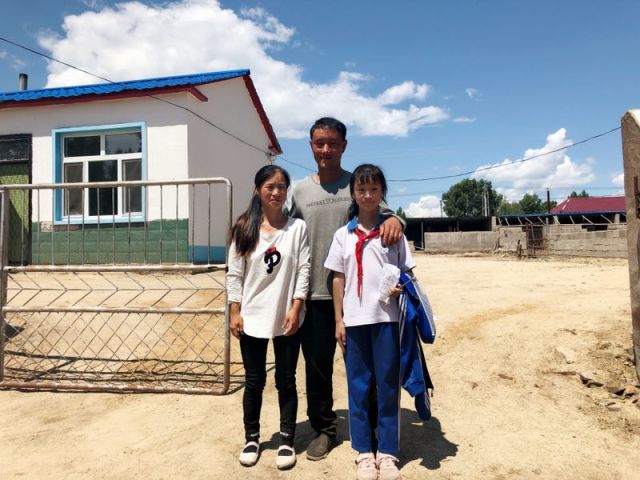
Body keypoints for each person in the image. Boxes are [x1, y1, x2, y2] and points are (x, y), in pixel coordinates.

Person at [290, 117, 404, 460]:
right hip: (314, 293)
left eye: (333, 143)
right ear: (311, 146)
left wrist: (395, 219)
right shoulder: (299, 191)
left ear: (344, 146)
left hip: (356, 299)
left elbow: (387, 216)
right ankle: (324, 429)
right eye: (319, 143)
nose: (325, 149)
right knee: (317, 369)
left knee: (368, 369)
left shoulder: (357, 184)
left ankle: (373, 432)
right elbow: (286, 230)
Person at [324, 164, 415, 480]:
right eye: (361, 189)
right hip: (354, 322)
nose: (367, 195)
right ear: (353, 193)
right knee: (358, 387)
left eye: (374, 189)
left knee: (388, 386)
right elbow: (338, 278)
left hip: (387, 320)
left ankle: (387, 453)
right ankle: (364, 452)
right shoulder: (343, 235)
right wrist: (339, 319)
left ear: (382, 193)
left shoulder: (394, 233)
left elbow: (407, 273)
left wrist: (401, 286)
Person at [226, 165, 310, 470]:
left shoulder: (297, 228)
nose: (276, 192)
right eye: (269, 187)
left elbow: (303, 270)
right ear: (258, 190)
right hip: (251, 317)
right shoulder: (244, 228)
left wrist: (296, 307)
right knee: (254, 381)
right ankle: (252, 438)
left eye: (281, 187)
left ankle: (287, 439)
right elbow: (235, 274)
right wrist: (235, 312)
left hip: (286, 316)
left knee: (286, 380)